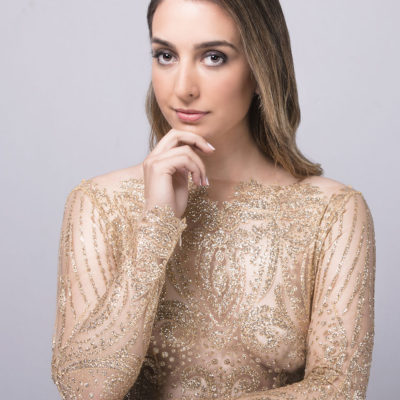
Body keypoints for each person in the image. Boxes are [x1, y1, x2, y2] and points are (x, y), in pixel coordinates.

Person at [50, 0, 376, 399]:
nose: (183, 87)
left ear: (260, 67)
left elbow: (339, 389)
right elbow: (85, 389)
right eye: (166, 55)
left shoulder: (332, 212)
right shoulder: (101, 203)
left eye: (213, 57)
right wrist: (156, 227)